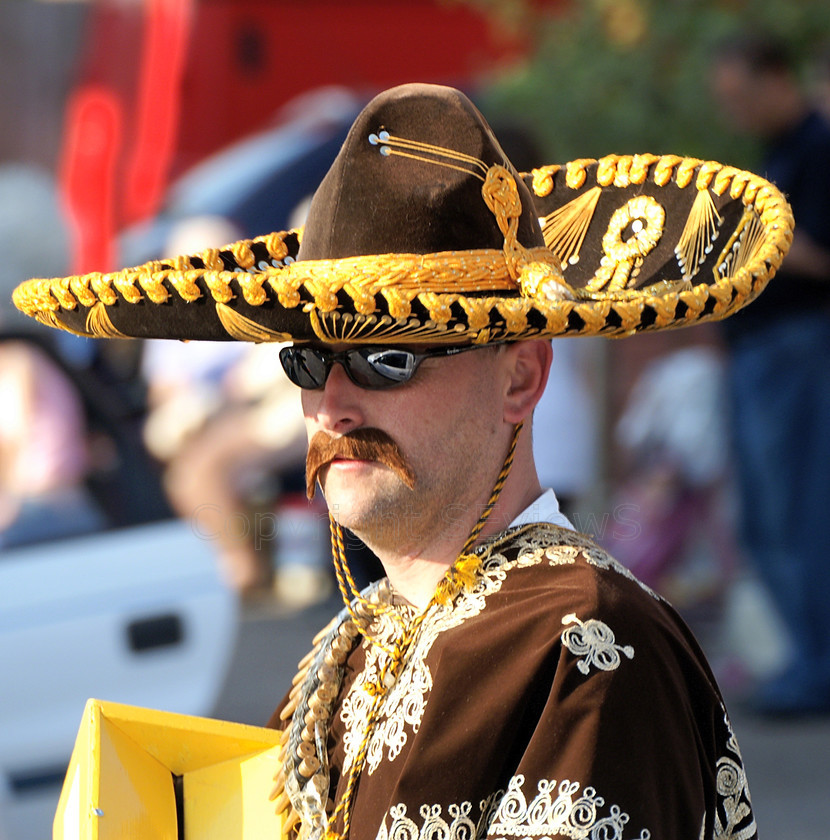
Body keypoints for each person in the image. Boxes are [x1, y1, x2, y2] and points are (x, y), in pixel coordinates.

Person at [14, 83, 793, 839]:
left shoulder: (585, 641)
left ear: (520, 376)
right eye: (311, 361)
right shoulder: (355, 642)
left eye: (387, 357)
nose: (334, 404)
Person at [710, 32, 830, 717]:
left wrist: (756, 242)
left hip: (795, 348)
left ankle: (816, 668)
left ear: (778, 79)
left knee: (796, 514)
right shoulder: (786, 150)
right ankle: (804, 662)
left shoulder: (816, 147)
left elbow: (816, 254)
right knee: (763, 518)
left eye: (741, 95)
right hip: (764, 351)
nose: (736, 111)